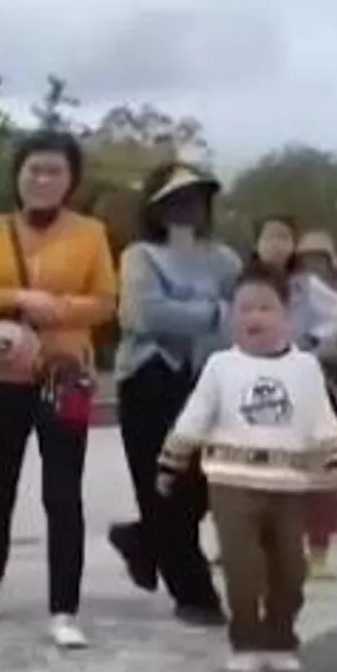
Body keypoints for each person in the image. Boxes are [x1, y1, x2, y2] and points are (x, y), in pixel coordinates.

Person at [0, 131, 118, 648]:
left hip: (66, 374)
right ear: (18, 176)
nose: (43, 180)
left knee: (63, 491)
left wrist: (58, 309)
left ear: (71, 180)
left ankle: (64, 607)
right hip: (2, 374)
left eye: (54, 171)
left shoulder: (90, 233)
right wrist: (17, 297)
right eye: (34, 170)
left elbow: (106, 301)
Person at [156, 266, 337, 672]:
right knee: (242, 568)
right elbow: (194, 418)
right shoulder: (220, 366)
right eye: (245, 308)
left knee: (290, 570)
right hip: (232, 483)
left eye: (265, 307)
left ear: (286, 315)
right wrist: (172, 461)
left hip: (290, 485)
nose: (254, 317)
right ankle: (245, 643)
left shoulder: (305, 368)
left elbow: (323, 420)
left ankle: (280, 638)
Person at [102, 164, 240, 625]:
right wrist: (211, 313)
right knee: (160, 483)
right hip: (148, 377)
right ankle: (193, 593)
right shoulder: (140, 256)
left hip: (206, 378)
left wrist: (196, 314)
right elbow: (141, 315)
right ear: (156, 208)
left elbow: (241, 314)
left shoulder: (224, 260)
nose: (186, 209)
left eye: (195, 199)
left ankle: (142, 539)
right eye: (175, 200)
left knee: (203, 481)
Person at [288, 229, 337, 572]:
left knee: (322, 468)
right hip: (265, 385)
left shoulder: (312, 288)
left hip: (317, 382)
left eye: (320, 257)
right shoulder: (252, 281)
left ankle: (319, 549)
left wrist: (314, 346)